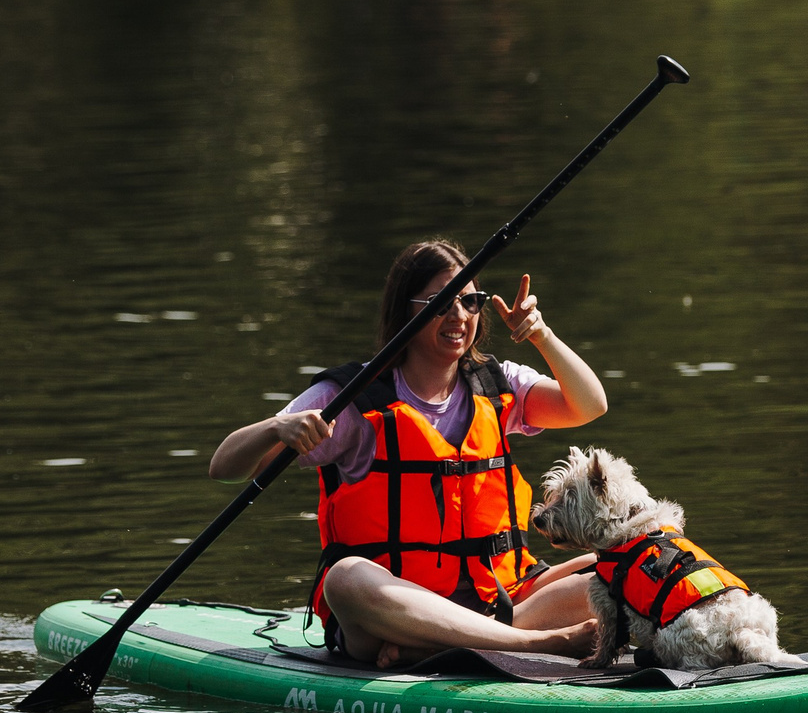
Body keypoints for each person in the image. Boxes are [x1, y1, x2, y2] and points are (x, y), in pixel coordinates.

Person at [208, 240, 608, 666]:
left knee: (620, 563)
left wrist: (541, 335)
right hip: (392, 612)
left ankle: (447, 645)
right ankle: (533, 643)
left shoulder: (497, 384)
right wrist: (276, 427)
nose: (459, 315)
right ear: (404, 311)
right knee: (345, 579)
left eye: (470, 301)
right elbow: (226, 467)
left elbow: (590, 405)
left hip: (502, 599)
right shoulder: (351, 398)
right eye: (440, 303)